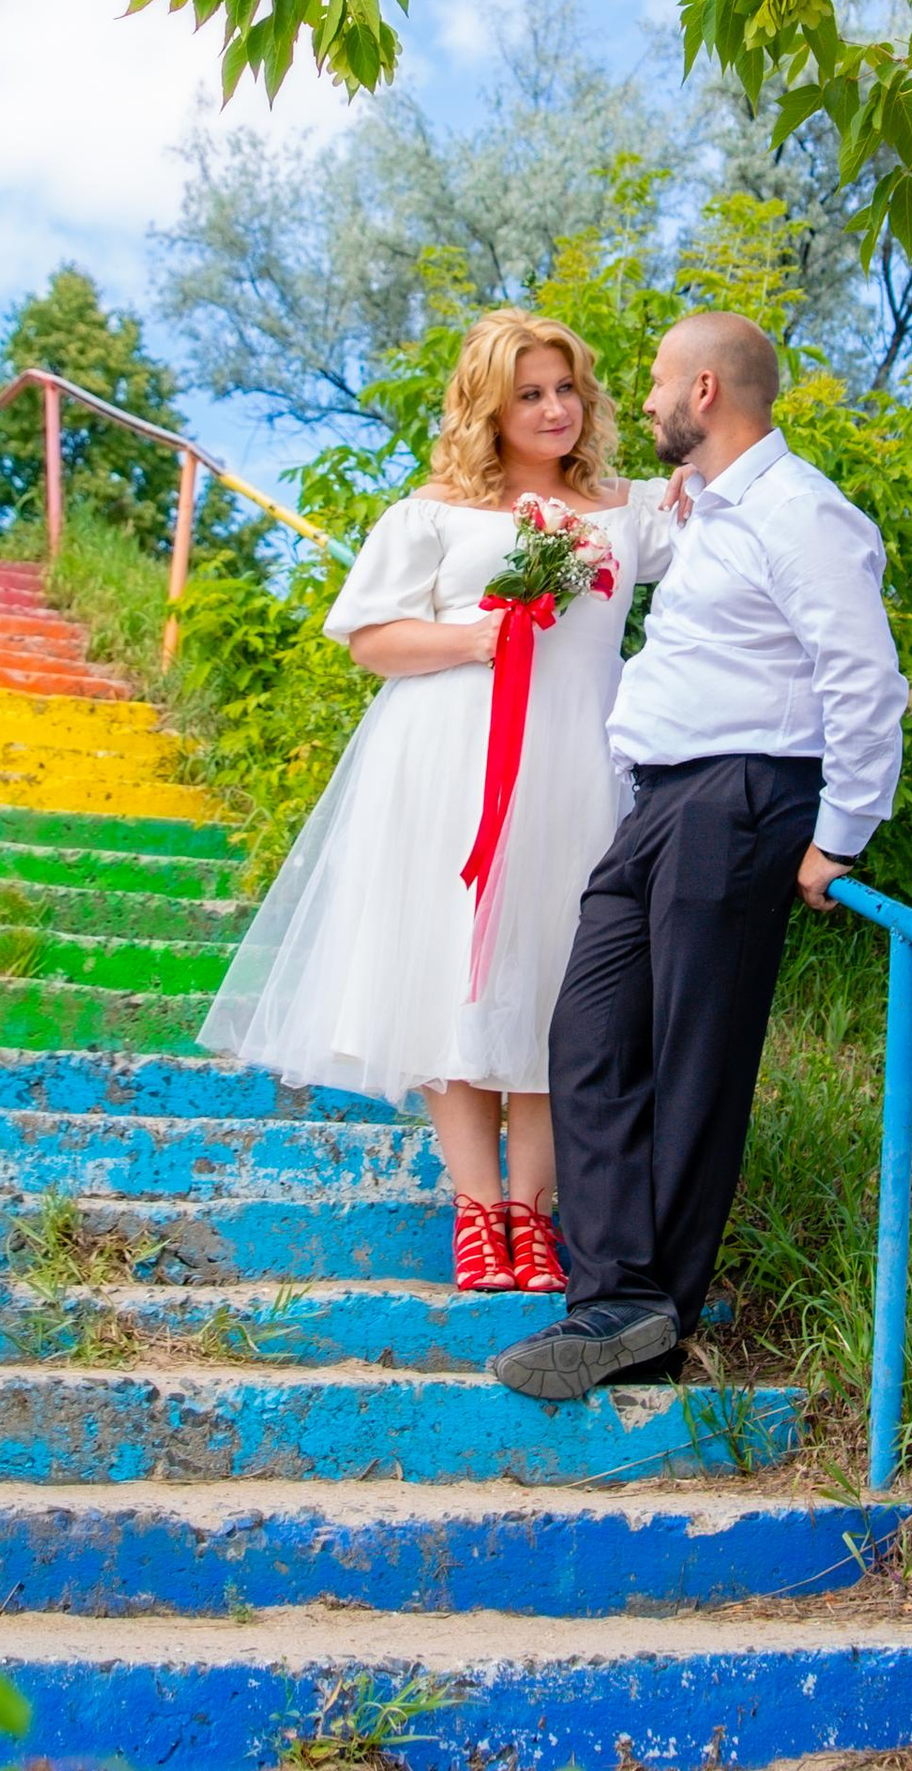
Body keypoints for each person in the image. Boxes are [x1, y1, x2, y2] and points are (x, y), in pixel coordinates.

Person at [196, 308, 677, 1292]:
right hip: (449, 763)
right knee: (456, 982)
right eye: (529, 394)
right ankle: (475, 1206)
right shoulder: (433, 513)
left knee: (558, 987)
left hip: (578, 766)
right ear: (490, 409)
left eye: (565, 389)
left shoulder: (630, 513)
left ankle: (535, 1213)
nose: (553, 410)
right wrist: (477, 638)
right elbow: (369, 638)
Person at [491, 309, 908, 1402]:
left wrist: (839, 835)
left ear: (708, 393)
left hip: (743, 796)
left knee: (692, 1058)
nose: (648, 399)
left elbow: (864, 678)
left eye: (662, 381)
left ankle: (643, 1308)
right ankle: (617, 1290)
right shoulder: (711, 511)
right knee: (587, 1036)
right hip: (662, 803)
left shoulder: (802, 514)